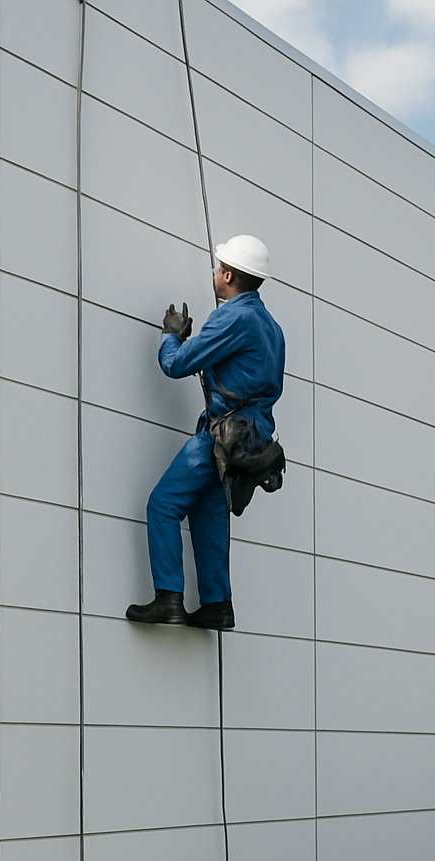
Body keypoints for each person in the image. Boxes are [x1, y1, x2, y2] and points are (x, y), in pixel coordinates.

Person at [126, 235, 285, 631]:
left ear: (228, 275)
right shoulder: (272, 328)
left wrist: (171, 335)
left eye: (217, 268)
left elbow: (177, 364)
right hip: (252, 440)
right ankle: (217, 604)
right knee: (209, 513)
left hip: (221, 437)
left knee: (162, 505)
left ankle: (168, 599)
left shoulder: (233, 317)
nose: (214, 273)